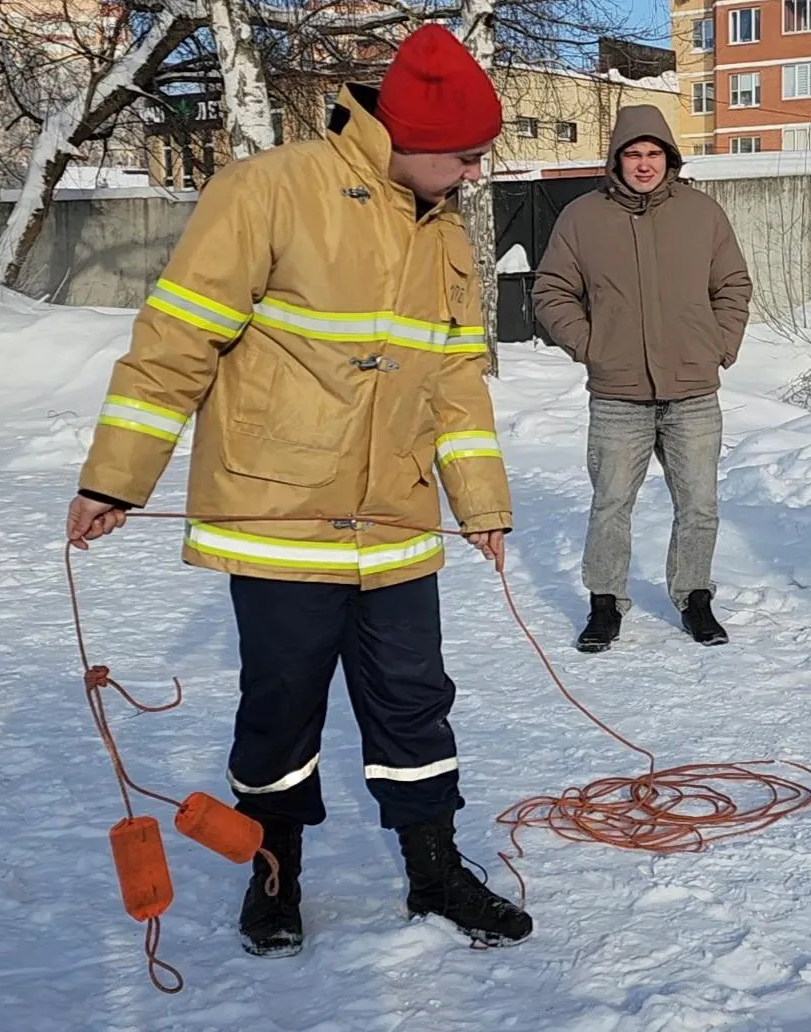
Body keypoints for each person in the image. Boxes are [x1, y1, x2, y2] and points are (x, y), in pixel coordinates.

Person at [64, 25, 533, 957]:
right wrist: (115, 480)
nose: (476, 174)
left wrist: (480, 502)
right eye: (467, 156)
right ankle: (274, 876)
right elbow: (175, 343)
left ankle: (433, 870)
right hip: (279, 511)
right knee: (281, 706)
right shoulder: (266, 191)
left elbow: (454, 383)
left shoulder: (443, 236)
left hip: (396, 517)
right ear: (410, 136)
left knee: (414, 700)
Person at [531, 104, 754, 653]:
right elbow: (550, 291)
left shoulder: (702, 214)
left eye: (654, 153)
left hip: (692, 390)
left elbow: (733, 286)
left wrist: (719, 345)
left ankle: (694, 595)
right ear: (616, 160)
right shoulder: (582, 218)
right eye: (633, 154)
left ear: (669, 159)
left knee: (699, 503)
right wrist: (591, 348)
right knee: (610, 504)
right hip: (618, 394)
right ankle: (604, 603)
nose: (644, 164)